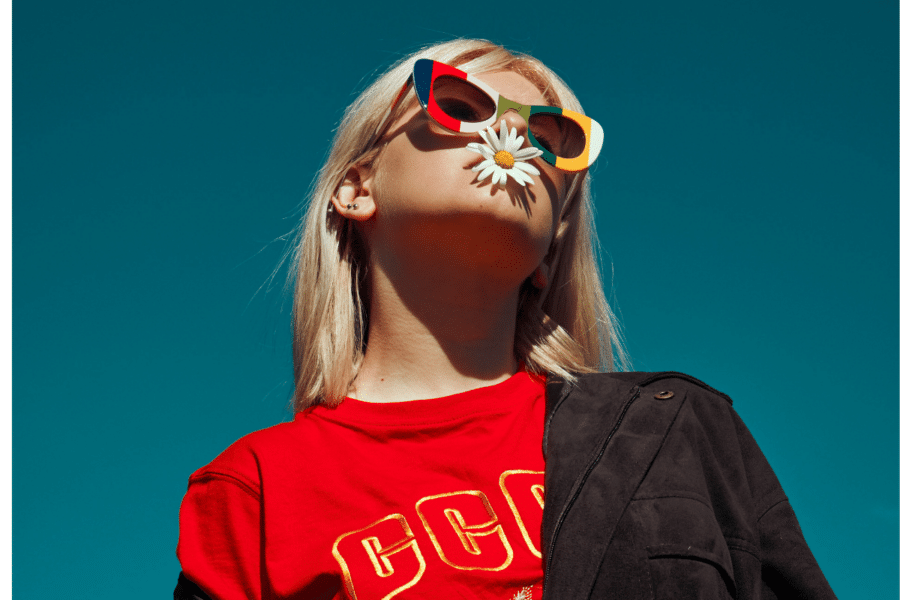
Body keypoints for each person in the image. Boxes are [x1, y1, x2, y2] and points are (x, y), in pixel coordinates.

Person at [174, 39, 836, 600]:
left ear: (552, 245)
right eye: (461, 105)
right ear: (358, 187)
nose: (511, 136)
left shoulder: (672, 430)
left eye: (550, 138)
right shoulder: (252, 490)